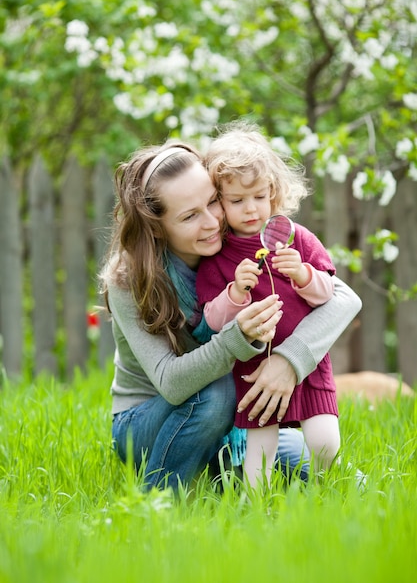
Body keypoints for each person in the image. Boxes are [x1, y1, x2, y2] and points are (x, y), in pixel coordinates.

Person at [100, 139, 362, 493]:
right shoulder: (129, 278)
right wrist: (236, 340)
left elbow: (343, 298)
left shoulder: (239, 241)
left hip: (231, 419)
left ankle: (218, 477)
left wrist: (289, 361)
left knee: (341, 479)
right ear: (158, 227)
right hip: (147, 419)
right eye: (190, 216)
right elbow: (172, 383)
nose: (211, 223)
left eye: (212, 202)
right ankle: (159, 501)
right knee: (218, 392)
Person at [196, 121, 344, 487]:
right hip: (255, 371)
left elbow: (330, 294)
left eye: (259, 197)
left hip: (307, 366)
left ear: (273, 192)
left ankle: (324, 496)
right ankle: (255, 506)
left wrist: (305, 275)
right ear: (218, 202)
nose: (251, 209)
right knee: (258, 456)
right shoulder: (219, 257)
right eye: (237, 200)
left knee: (325, 443)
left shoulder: (298, 238)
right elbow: (212, 320)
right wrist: (235, 293)